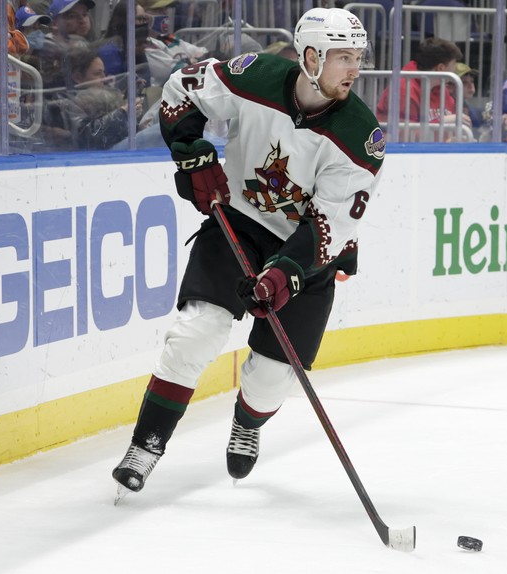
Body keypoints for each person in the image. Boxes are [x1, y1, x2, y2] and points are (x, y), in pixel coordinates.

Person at [111, 7, 385, 496]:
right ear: (310, 57)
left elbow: (328, 228)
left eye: (357, 57)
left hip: (305, 253)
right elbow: (180, 92)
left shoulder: (360, 136)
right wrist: (191, 153)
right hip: (238, 223)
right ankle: (147, 444)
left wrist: (282, 275)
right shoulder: (253, 75)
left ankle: (248, 422)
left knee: (270, 377)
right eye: (343, 57)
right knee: (195, 332)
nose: (354, 69)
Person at [40, 46, 142, 150]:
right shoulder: (64, 104)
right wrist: (123, 114)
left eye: (103, 72)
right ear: (78, 77)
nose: (104, 78)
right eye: (98, 74)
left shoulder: (99, 97)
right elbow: (87, 138)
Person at [375, 36, 470, 128]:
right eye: (454, 64)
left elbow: (453, 120)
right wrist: (441, 122)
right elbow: (405, 135)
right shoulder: (404, 90)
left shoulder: (440, 88)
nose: (455, 68)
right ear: (440, 68)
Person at [34, 0, 96, 91]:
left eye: (84, 14)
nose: (82, 20)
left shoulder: (83, 45)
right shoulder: (48, 50)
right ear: (55, 24)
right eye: (72, 16)